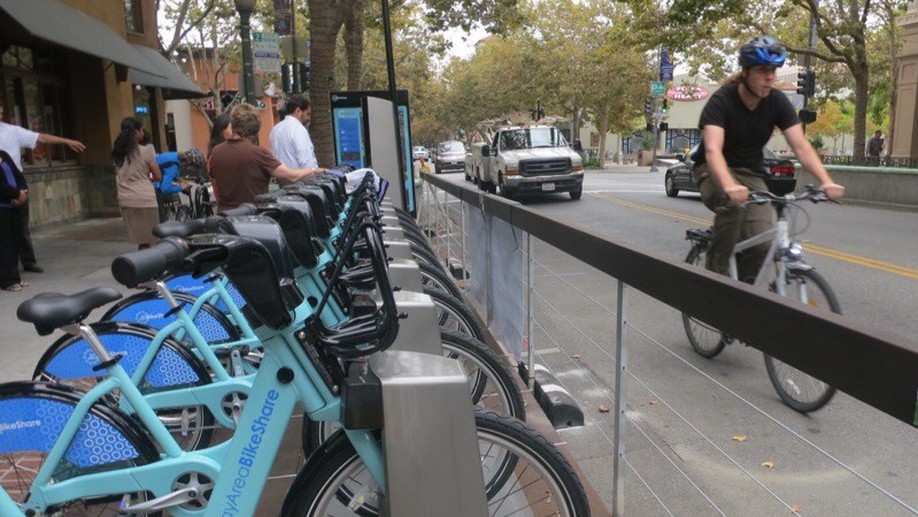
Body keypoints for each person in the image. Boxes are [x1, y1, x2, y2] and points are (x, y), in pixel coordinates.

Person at [691, 36, 844, 280]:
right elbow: (712, 150)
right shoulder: (722, 101)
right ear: (746, 71)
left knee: (762, 244)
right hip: (713, 170)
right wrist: (729, 185)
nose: (770, 77)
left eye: (773, 70)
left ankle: (743, 295)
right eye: (763, 71)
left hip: (751, 175)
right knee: (733, 206)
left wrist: (826, 180)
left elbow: (801, 147)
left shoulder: (776, 102)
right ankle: (715, 280)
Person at [0, 101, 85, 274]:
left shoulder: (12, 131)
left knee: (21, 225)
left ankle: (28, 261)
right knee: (4, 229)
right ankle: (8, 266)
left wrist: (66, 141)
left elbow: (41, 137)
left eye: (0, 112)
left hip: (16, 180)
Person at [209, 103, 324, 212]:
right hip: (253, 217)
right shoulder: (258, 153)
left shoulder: (216, 152)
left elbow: (216, 187)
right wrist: (313, 170)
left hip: (225, 217)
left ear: (232, 124)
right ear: (256, 128)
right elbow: (292, 176)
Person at [112, 117, 163, 250]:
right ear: (136, 132)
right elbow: (157, 176)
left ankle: (143, 265)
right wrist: (149, 178)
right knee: (148, 240)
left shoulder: (118, 152)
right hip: (145, 199)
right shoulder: (145, 151)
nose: (143, 132)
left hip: (126, 199)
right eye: (141, 130)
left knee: (141, 241)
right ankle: (147, 267)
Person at [269, 94, 319, 186]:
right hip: (302, 186)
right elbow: (307, 163)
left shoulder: (275, 129)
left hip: (282, 186)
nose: (309, 118)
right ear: (298, 111)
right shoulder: (298, 129)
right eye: (308, 114)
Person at [0, 150, 30, 291]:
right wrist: (16, 194)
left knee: (15, 241)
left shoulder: (4, 154)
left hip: (15, 205)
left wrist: (23, 191)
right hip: (2, 207)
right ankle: (8, 280)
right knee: (5, 244)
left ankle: (15, 276)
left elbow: (18, 175)